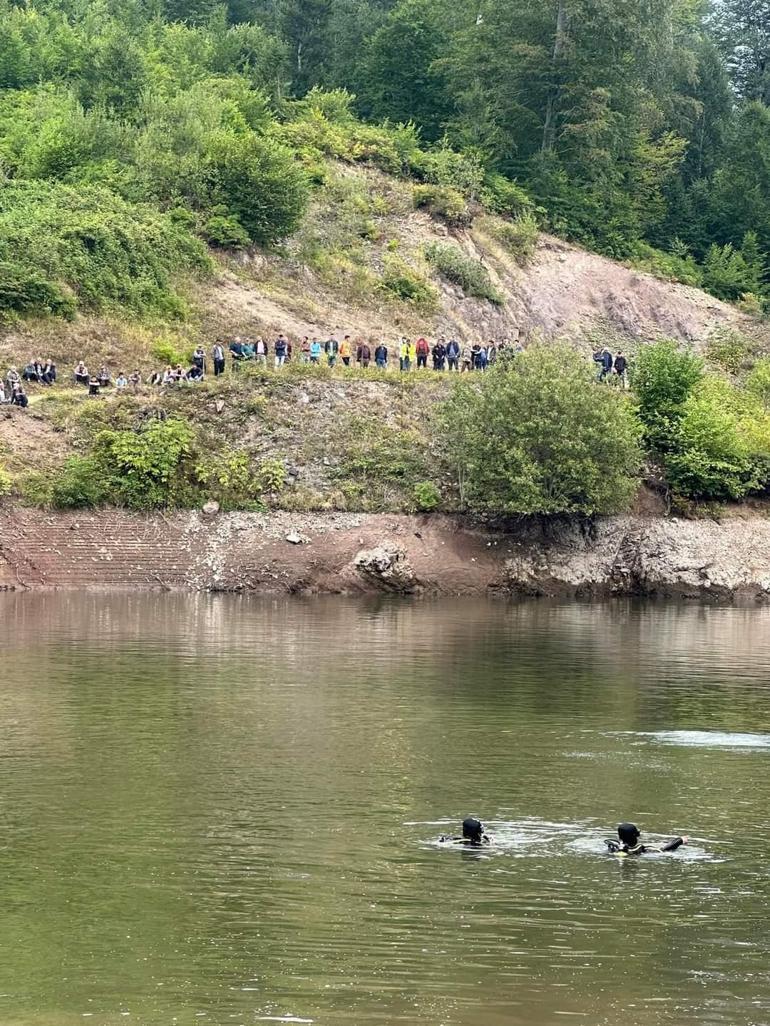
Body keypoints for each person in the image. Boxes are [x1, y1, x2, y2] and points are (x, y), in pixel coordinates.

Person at [606, 822, 688, 857]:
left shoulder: (613, 847)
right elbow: (664, 850)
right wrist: (680, 840)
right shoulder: (640, 849)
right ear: (635, 836)